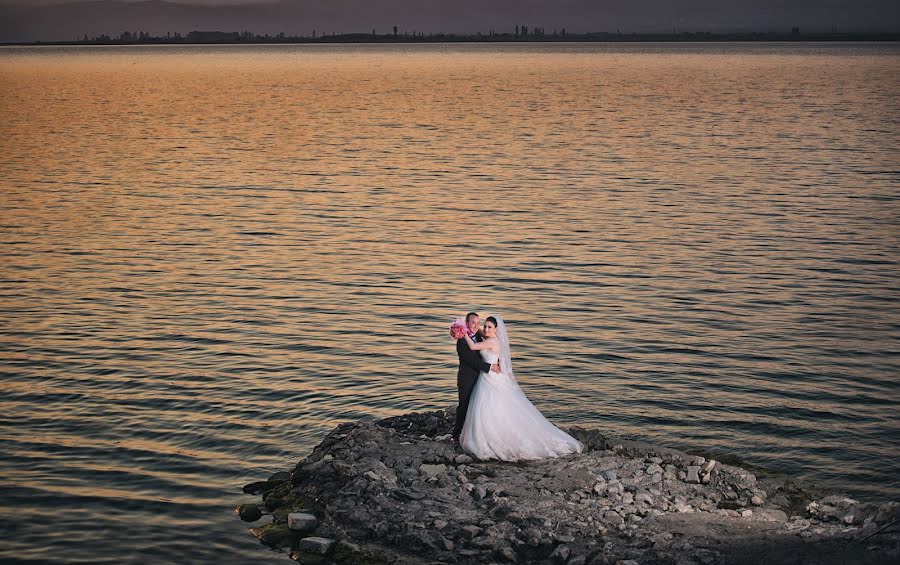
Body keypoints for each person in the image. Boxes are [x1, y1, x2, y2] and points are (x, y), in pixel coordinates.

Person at [459, 315, 583, 461]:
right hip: (488, 377)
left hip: (491, 377)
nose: (485, 329)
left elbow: (473, 346)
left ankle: (493, 436)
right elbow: (479, 332)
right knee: (492, 406)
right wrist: (471, 328)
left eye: (489, 327)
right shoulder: (488, 336)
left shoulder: (492, 341)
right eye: (485, 326)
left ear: (496, 329)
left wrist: (462, 332)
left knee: (488, 406)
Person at [454, 312, 501, 442]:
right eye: (472, 322)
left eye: (477, 322)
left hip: (481, 377)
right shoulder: (462, 341)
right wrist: (490, 367)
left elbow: (493, 349)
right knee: (464, 405)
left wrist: (498, 362)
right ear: (467, 323)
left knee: (481, 406)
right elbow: (472, 361)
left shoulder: (481, 336)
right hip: (467, 377)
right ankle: (456, 434)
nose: (476, 325)